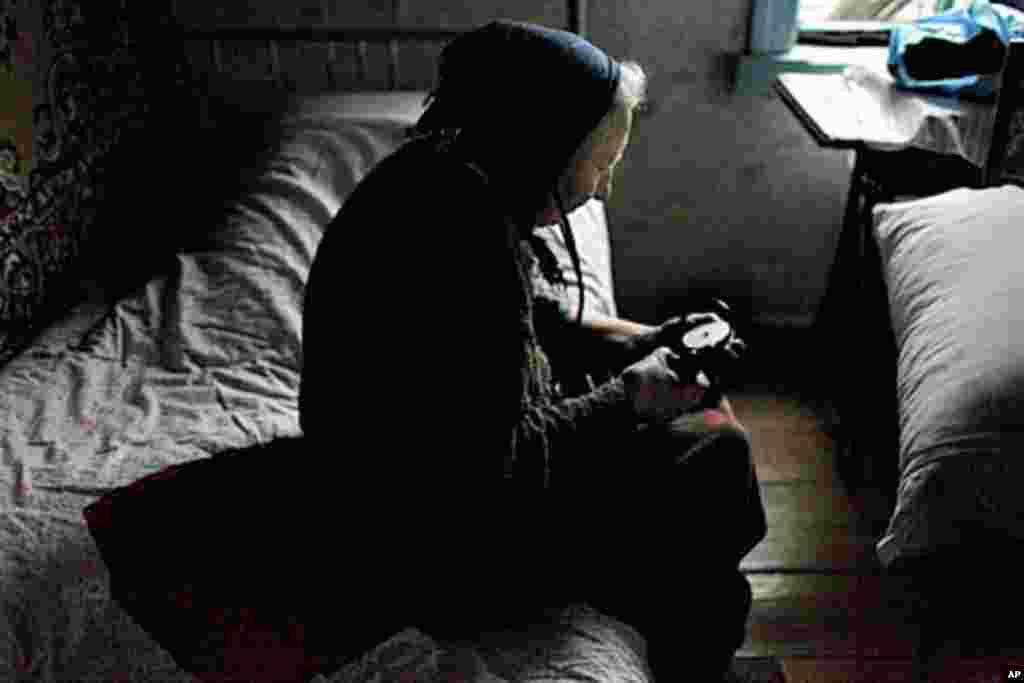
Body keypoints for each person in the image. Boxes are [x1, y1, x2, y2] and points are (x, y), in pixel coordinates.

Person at [85, 20, 766, 683]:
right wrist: (631, 396)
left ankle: (688, 619)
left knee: (700, 471)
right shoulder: (466, 241)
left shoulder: (449, 173)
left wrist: (637, 341)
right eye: (598, 165)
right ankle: (692, 648)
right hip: (437, 552)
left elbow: (530, 315)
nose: (602, 190)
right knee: (715, 460)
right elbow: (502, 473)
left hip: (400, 491)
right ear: (548, 144)